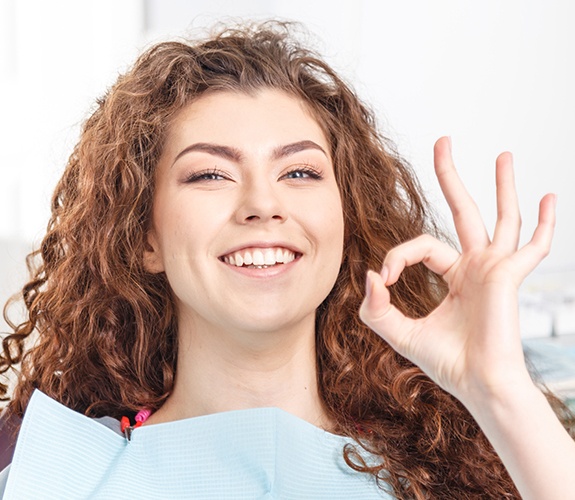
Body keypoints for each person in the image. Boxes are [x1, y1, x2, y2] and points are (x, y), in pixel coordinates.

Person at [0, 20, 574, 499]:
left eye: (299, 172)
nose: (263, 204)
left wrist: (499, 389)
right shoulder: (51, 474)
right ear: (145, 239)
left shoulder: (456, 470)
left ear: (346, 224)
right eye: (210, 174)